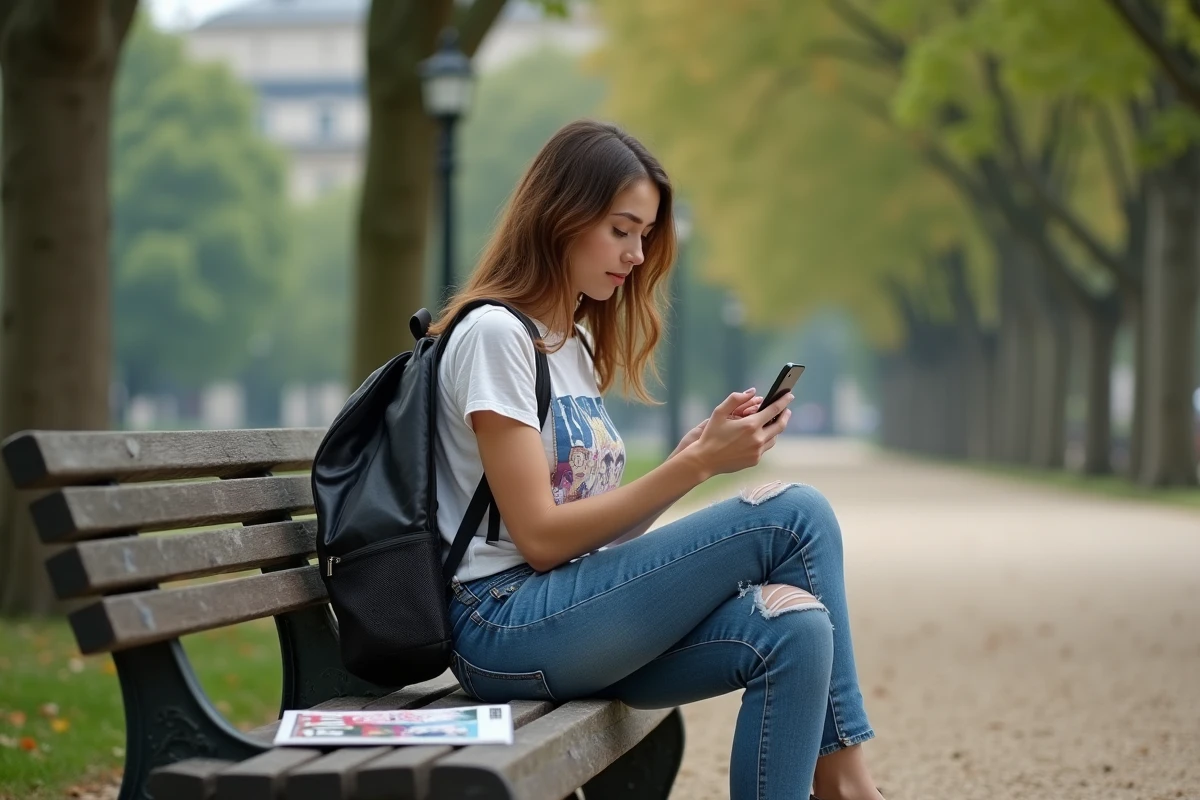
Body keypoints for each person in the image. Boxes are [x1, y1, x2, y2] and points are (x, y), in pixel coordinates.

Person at [429, 119, 883, 800]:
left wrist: (686, 460)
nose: (637, 254)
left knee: (796, 627)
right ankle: (850, 788)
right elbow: (541, 538)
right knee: (794, 515)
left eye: (643, 236)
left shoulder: (571, 345)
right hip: (502, 624)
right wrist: (695, 469)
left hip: (566, 617)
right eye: (621, 229)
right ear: (560, 215)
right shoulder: (496, 335)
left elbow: (585, 535)